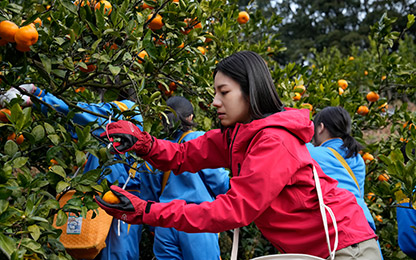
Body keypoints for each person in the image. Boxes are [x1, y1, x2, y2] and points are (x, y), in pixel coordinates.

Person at [96, 50, 382, 259]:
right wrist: (143, 143)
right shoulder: (239, 137)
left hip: (345, 248)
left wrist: (146, 211)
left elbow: (232, 210)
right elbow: (183, 154)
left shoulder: (274, 141)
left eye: (224, 92)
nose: (214, 102)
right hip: (312, 249)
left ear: (250, 91)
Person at [0, 84, 144, 260]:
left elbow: (85, 115)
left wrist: (37, 97)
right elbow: (74, 125)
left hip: (121, 201)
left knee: (118, 254)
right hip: (102, 199)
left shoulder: (128, 110)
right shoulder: (105, 134)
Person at [140, 96, 230, 259]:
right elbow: (221, 183)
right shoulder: (198, 140)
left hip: (164, 221)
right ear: (190, 117)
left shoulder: (156, 149)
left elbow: (148, 195)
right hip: (196, 220)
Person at [306, 106, 383, 258]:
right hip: (366, 228)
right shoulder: (358, 159)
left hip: (342, 229)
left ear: (320, 127)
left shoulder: (312, 152)